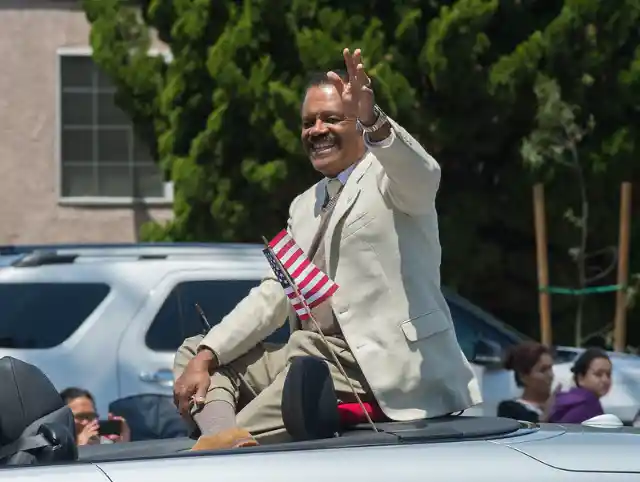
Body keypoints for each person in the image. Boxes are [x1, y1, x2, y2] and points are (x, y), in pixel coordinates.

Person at [173, 47, 481, 450]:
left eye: (332, 118)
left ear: (358, 122)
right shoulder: (303, 205)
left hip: (376, 364)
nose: (316, 129)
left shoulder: (390, 178)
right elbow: (274, 295)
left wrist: (375, 120)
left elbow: (424, 174)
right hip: (311, 356)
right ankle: (225, 440)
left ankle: (224, 443)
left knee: (249, 417)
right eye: (308, 122)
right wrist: (209, 354)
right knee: (196, 353)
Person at [497, 342, 559, 423]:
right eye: (543, 370)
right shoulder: (510, 409)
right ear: (523, 377)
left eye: (550, 368)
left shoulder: (561, 404)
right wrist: (546, 414)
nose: (550, 375)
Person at [548, 348, 612, 424]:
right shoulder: (588, 407)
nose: (605, 380)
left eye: (608, 374)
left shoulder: (567, 401)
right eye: (598, 374)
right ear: (581, 378)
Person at [60, 387, 131, 446]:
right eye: (80, 417)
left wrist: (122, 445)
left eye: (91, 416)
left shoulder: (106, 444)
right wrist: (80, 447)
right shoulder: (53, 449)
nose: (86, 422)